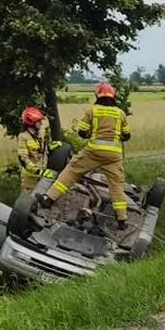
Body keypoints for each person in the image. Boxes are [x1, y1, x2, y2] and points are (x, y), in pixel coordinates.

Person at [41, 82, 132, 228]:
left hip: (93, 152)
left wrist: (91, 133)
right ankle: (122, 220)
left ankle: (49, 198)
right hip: (113, 156)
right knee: (117, 186)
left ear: (97, 95)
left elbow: (82, 132)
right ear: (113, 96)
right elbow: (127, 136)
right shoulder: (120, 113)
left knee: (72, 171)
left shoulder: (92, 111)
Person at [18, 106, 50, 193]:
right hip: (30, 178)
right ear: (31, 122)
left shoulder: (41, 134)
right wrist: (37, 170)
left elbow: (45, 151)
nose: (41, 123)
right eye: (38, 121)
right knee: (28, 201)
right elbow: (23, 159)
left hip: (43, 176)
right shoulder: (23, 137)